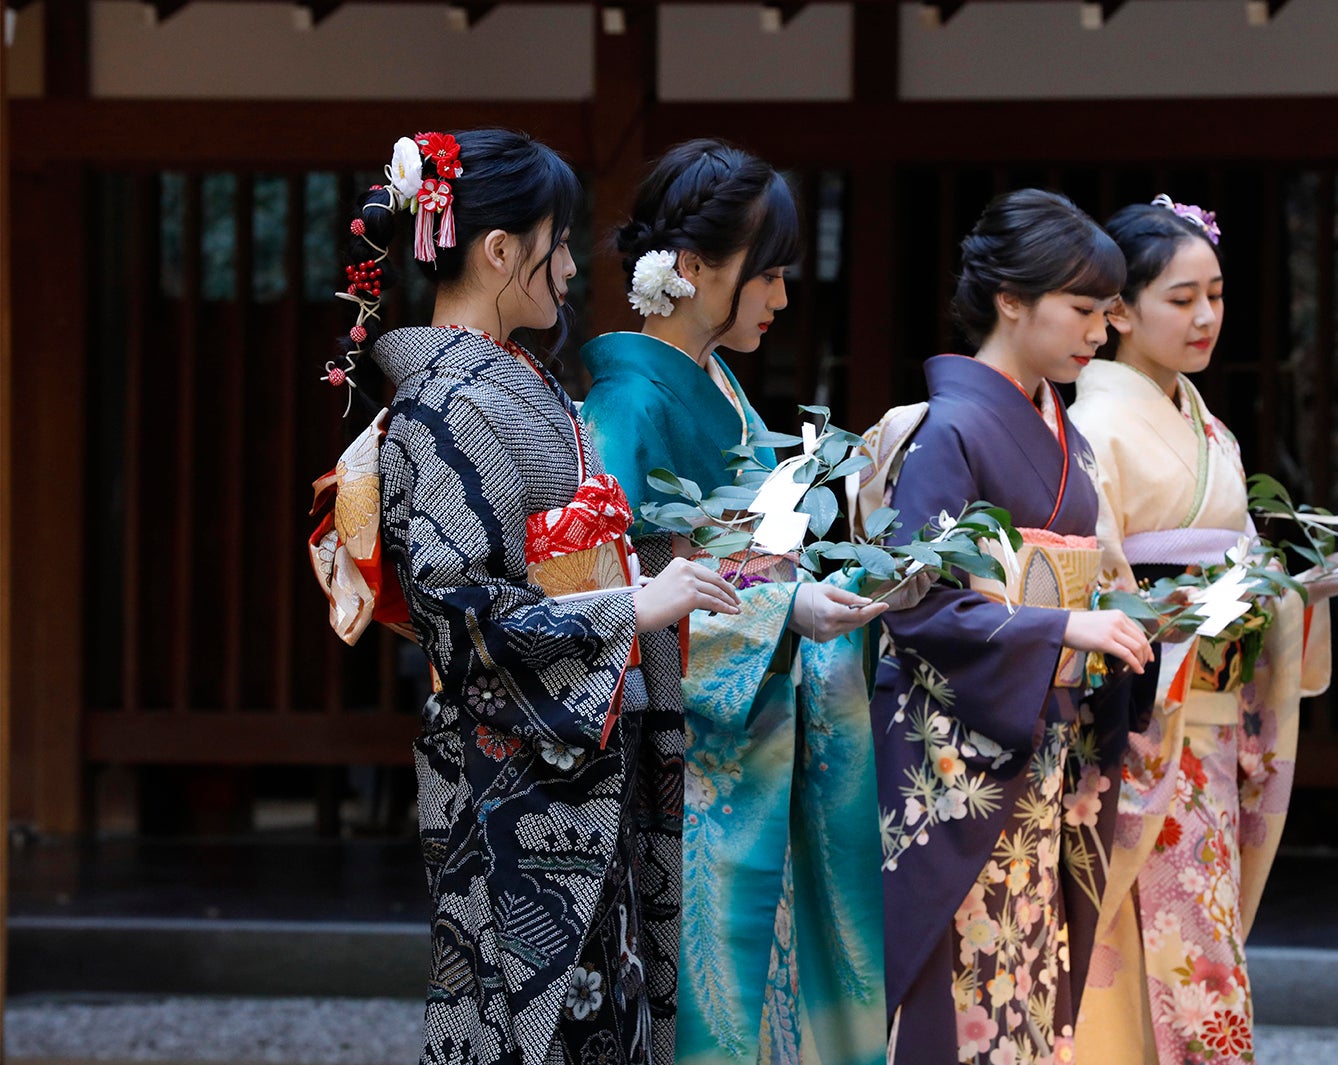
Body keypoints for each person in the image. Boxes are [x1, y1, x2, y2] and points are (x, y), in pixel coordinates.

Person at [335, 128, 739, 1065]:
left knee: (596, 1022)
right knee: (523, 1027)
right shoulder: (446, 400)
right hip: (512, 777)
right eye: (556, 244)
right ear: (500, 250)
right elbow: (457, 608)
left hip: (583, 756)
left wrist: (667, 566)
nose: (568, 268)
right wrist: (629, 610)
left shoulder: (515, 381)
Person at [580, 139, 891, 1065]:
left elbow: (750, 554)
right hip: (693, 753)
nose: (781, 299)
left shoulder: (712, 379)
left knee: (765, 990)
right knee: (713, 987)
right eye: (769, 276)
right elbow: (608, 592)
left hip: (752, 734)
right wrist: (776, 613)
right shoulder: (628, 402)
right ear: (691, 267)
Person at [1068, 197, 1338, 1064]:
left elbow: (1242, 567)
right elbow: (1102, 587)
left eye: (1218, 294)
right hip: (1141, 725)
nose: (1205, 317)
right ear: (1119, 309)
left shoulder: (1211, 429)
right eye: (1182, 297)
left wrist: (1293, 593)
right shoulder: (1094, 425)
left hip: (1212, 730)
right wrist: (1193, 611)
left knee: (1203, 937)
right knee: (1131, 945)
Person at [866, 189, 1154, 1065]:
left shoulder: (1058, 426)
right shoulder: (949, 428)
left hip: (1040, 735)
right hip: (959, 744)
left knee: (1030, 972)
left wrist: (1114, 627)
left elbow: (1090, 574)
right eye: (1081, 308)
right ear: (1011, 300)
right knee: (970, 974)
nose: (1099, 333)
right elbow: (918, 602)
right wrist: (1066, 624)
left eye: (1107, 312)